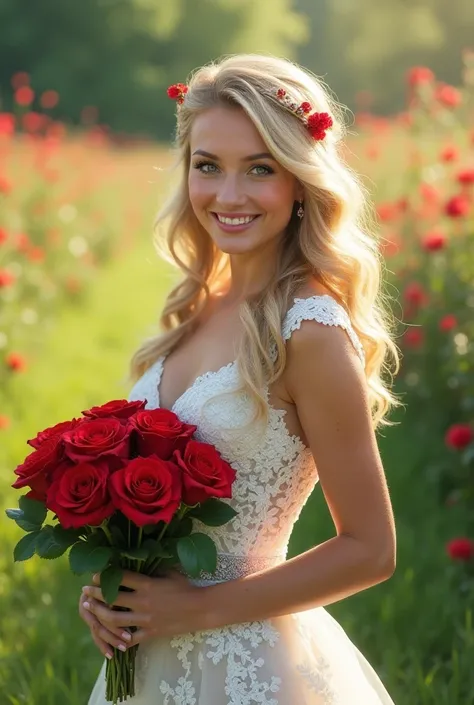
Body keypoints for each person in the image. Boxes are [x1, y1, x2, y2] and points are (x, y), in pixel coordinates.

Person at [81, 53, 400, 704]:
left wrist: (194, 610)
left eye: (260, 168)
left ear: (301, 181)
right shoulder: (196, 306)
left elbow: (370, 548)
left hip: (249, 666)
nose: (228, 196)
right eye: (208, 166)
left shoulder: (307, 331)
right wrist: (114, 589)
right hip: (150, 659)